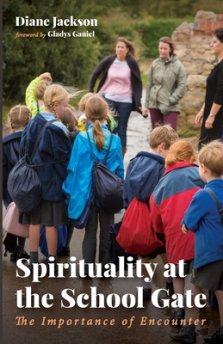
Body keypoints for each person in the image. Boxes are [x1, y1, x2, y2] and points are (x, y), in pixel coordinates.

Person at [63, 94, 124, 275]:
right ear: (107, 114)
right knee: (107, 231)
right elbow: (120, 170)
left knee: (90, 231)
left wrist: (69, 190)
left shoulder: (82, 139)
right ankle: (105, 269)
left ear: (86, 115)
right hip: (108, 193)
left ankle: (88, 270)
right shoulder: (115, 140)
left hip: (87, 192)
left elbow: (73, 167)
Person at [150, 140, 204, 327]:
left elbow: (155, 214)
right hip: (199, 233)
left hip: (174, 235)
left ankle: (179, 308)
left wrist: (159, 231)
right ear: (192, 156)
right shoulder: (199, 174)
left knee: (178, 274)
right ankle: (197, 307)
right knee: (199, 273)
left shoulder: (163, 182)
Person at [123, 125, 178, 300]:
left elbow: (127, 191)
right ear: (162, 147)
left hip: (139, 216)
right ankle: (170, 281)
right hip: (159, 219)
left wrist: (128, 208)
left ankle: (145, 285)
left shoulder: (134, 162)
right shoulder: (164, 168)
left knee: (143, 255)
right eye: (171, 149)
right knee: (165, 251)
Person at [20, 84, 72, 266]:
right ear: (56, 105)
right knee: (51, 223)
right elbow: (63, 158)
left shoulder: (33, 121)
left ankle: (33, 258)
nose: (65, 108)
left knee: (35, 221)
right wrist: (66, 180)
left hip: (33, 180)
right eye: (64, 105)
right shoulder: (57, 128)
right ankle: (51, 260)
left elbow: (23, 149)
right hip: (51, 181)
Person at [176, 141, 223, 344]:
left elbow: (188, 224)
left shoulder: (202, 195)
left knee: (195, 289)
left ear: (203, 168)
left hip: (208, 255)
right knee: (221, 291)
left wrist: (185, 225)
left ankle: (189, 329)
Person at [89, 37, 143, 156]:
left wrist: (138, 102)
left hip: (126, 100)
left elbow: (138, 82)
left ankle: (120, 156)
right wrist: (91, 90)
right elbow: (96, 73)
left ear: (127, 50)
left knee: (121, 129)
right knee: (109, 126)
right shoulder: (109, 60)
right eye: (117, 47)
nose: (119, 49)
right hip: (109, 98)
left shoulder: (131, 63)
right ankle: (106, 152)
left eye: (122, 47)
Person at [3, 105, 31, 261]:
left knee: (12, 213)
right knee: (25, 216)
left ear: (10, 122)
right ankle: (20, 248)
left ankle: (13, 247)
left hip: (9, 186)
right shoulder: (32, 140)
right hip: (28, 185)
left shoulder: (4, 143)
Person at [144, 36, 187, 130]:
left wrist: (171, 100)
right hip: (154, 105)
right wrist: (146, 105)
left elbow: (182, 85)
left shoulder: (178, 66)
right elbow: (149, 84)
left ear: (170, 49)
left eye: (165, 48)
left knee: (170, 135)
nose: (162, 51)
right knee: (156, 136)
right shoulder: (154, 64)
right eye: (160, 48)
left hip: (171, 106)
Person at [195, 28, 223, 149]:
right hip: (210, 112)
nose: (211, 45)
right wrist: (202, 111)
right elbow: (211, 92)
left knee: (212, 151)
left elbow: (220, 92)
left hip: (218, 116)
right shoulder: (218, 65)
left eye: (215, 42)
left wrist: (211, 115)